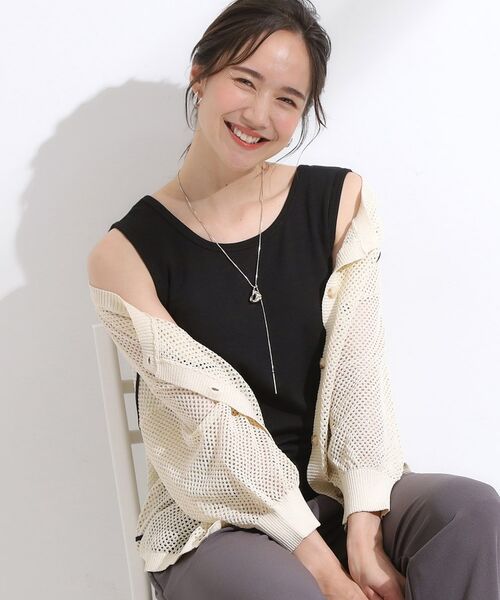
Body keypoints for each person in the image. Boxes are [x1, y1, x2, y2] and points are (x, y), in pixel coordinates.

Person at [87, 1, 500, 598]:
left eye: (287, 99)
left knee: (471, 513)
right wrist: (327, 572)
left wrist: (363, 533)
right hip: (219, 521)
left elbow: (358, 377)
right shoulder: (125, 255)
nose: (259, 115)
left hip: (340, 491)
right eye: (244, 81)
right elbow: (213, 429)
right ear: (200, 75)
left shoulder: (338, 202)